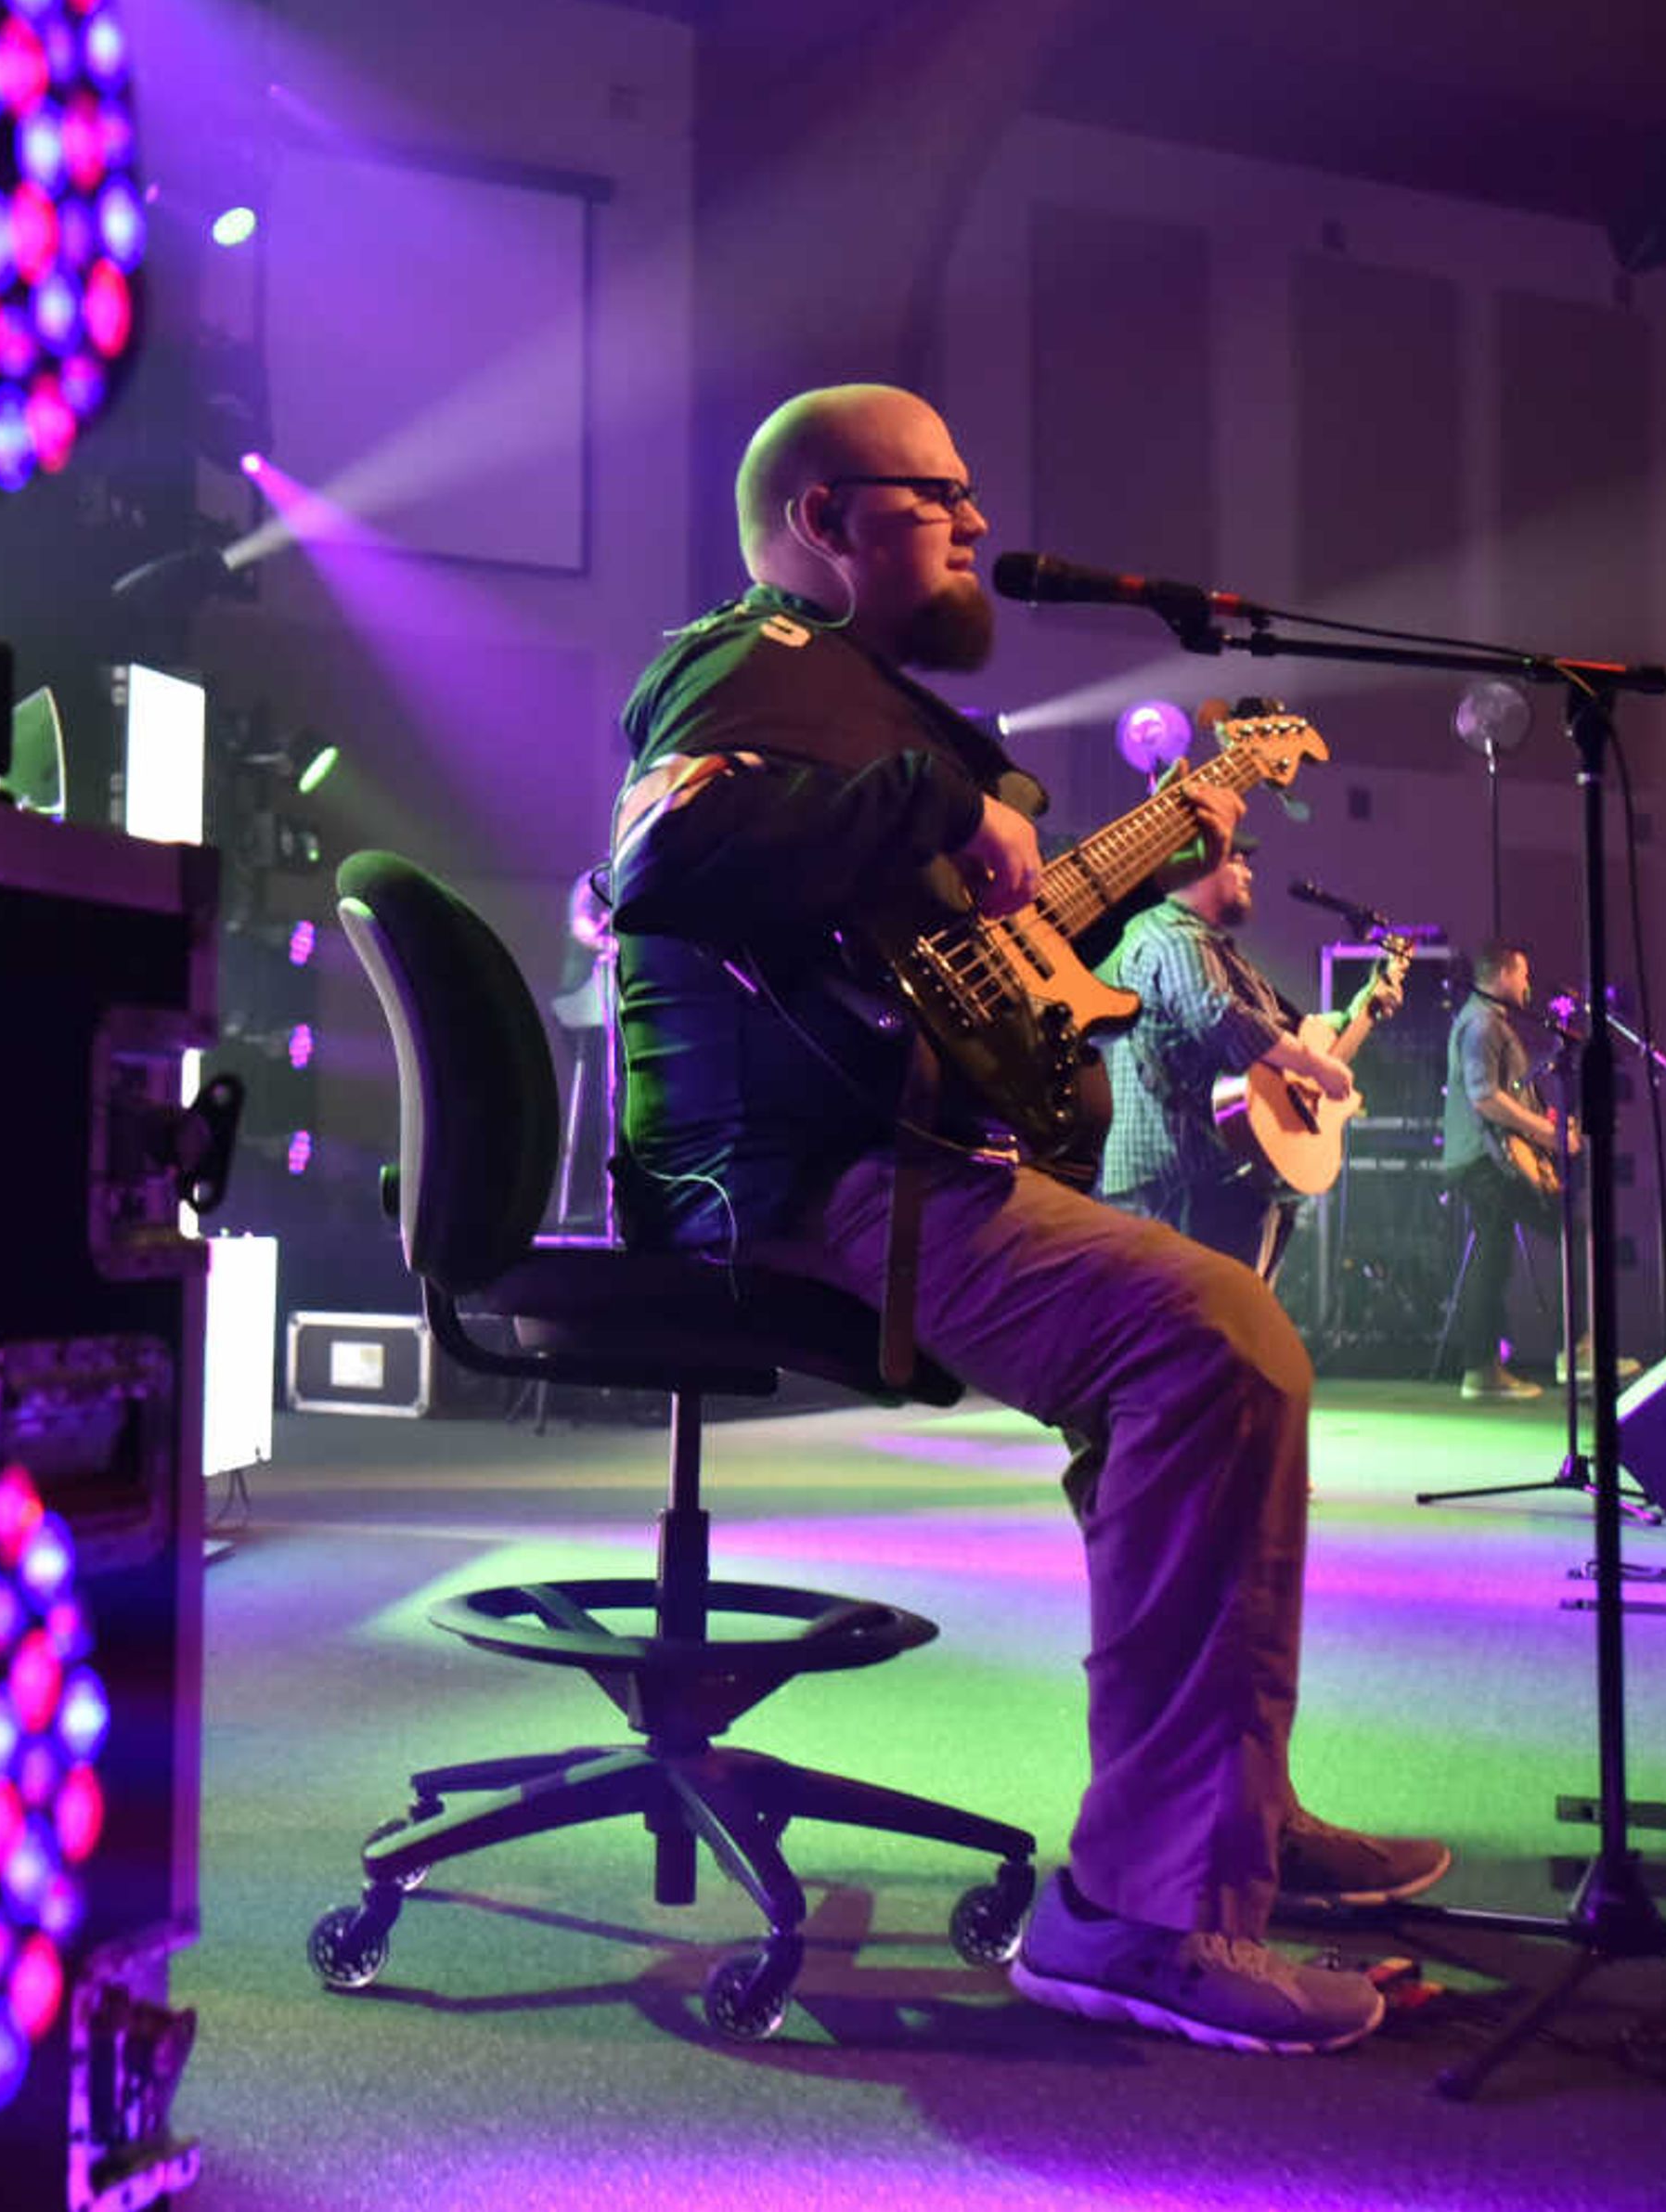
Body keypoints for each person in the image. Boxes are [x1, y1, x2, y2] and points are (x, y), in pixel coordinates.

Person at [603, 382, 1440, 2058]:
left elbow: (973, 942)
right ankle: (1143, 1909)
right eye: (941, 496)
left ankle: (1228, 1826)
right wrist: (936, 806)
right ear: (827, 518)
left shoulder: (858, 695)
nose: (980, 522)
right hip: (799, 1174)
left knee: (1225, 1344)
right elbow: (664, 856)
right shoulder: (747, 659)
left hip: (893, 1145)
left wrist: (1126, 848)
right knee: (1216, 1335)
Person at [1095, 837, 1374, 1281]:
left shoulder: (1205, 946)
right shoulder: (1174, 939)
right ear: (1199, 866)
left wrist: (1357, 1012)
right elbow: (1218, 1016)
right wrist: (1315, 1066)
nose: (1248, 873)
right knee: (1205, 1333)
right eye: (1236, 860)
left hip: (1202, 1177)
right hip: (1183, 1178)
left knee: (1218, 1330)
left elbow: (1274, 1033)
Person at [1437, 942, 1573, 1400]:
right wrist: (1547, 1134)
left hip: (1483, 1157)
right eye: (1523, 974)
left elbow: (1505, 1095)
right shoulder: (1482, 1024)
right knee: (1564, 1233)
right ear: (1503, 974)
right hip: (1483, 1160)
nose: (1529, 984)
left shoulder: (1489, 1023)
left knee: (1497, 1254)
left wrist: (1544, 1127)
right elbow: (1486, 1098)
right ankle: (1492, 1367)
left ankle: (1487, 1366)